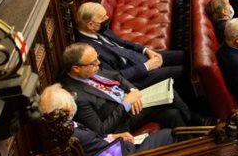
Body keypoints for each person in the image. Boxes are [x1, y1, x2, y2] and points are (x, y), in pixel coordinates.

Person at [60, 43, 193, 134]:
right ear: (76, 69)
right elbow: (101, 130)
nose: (98, 63)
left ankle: (191, 142)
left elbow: (116, 75)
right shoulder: (77, 97)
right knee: (171, 93)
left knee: (172, 114)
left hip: (131, 100)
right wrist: (126, 104)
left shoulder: (89, 68)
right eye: (93, 62)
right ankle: (196, 123)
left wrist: (132, 90)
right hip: (123, 119)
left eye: (97, 59)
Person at [73, 2, 187, 90]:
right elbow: (114, 77)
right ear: (90, 25)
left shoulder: (99, 29)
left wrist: (146, 50)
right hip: (137, 76)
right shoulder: (86, 51)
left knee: (184, 56)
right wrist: (147, 66)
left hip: (139, 57)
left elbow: (123, 43)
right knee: (182, 71)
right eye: (103, 18)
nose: (107, 18)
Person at [39, 84, 175, 156]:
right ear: (67, 109)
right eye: (71, 99)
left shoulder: (66, 125)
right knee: (169, 134)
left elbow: (97, 139)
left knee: (168, 114)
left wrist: (113, 136)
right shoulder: (76, 135)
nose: (74, 101)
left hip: (113, 146)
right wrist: (126, 142)